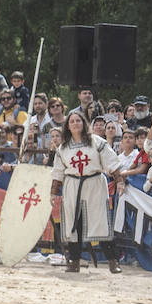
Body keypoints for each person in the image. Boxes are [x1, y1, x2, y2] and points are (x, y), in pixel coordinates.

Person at [50, 109, 120, 273]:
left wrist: (120, 181)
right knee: (73, 225)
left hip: (94, 184)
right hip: (72, 185)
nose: (75, 124)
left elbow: (112, 163)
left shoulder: (97, 142)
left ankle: (112, 261)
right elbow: (58, 172)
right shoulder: (63, 148)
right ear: (68, 125)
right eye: (72, 121)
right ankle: (74, 262)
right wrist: (53, 192)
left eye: (78, 121)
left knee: (101, 222)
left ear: (84, 123)